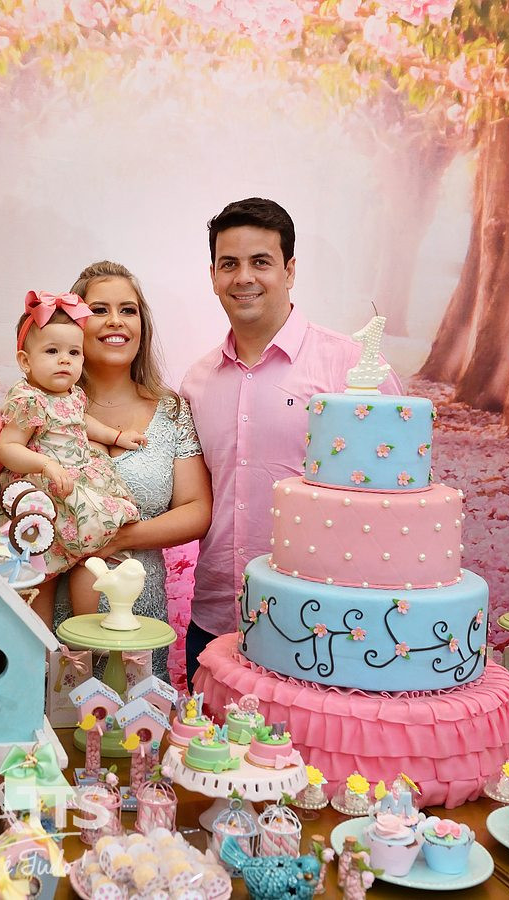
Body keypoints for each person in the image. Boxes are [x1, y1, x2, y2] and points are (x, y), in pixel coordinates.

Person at [181, 198, 402, 686]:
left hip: (324, 627)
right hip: (215, 620)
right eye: (229, 264)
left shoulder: (353, 371)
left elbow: (399, 495)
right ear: (213, 275)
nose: (244, 277)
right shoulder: (196, 382)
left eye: (260, 261)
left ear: (290, 270)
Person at [55, 261, 213, 683]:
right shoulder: (47, 408)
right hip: (58, 614)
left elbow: (196, 509)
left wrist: (119, 538)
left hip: (140, 618)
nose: (115, 321)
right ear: (73, 323)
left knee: (135, 720)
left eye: (128, 310)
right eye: (99, 310)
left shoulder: (171, 410)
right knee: (59, 716)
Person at [0, 290, 148, 626]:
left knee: (89, 558)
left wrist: (116, 436)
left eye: (74, 352)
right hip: (44, 493)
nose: (65, 360)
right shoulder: (29, 398)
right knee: (40, 569)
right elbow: (7, 447)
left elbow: (82, 422)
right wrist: (45, 464)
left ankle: (84, 631)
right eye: (52, 351)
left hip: (76, 482)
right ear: (25, 361)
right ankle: (40, 641)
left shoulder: (73, 394)